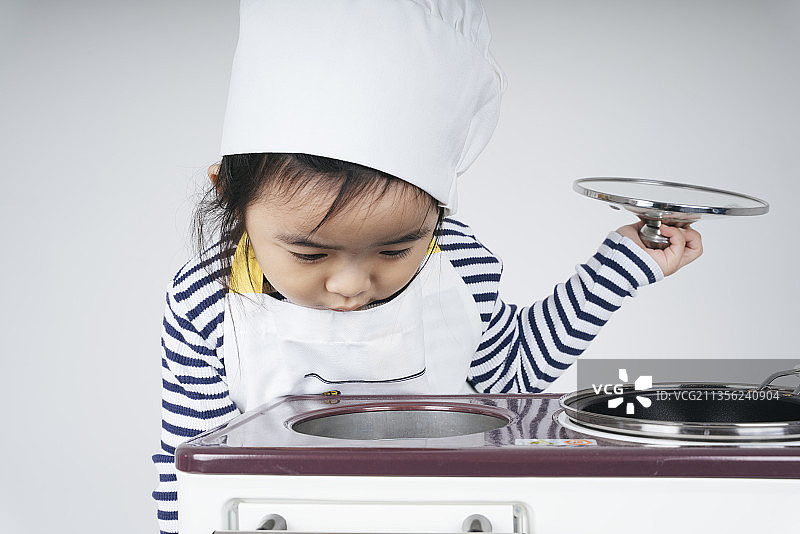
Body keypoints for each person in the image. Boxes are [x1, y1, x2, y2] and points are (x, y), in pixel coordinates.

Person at [152, 1, 702, 532]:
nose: (351, 285)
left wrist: (623, 266)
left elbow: (509, 375)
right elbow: (193, 464)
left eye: (394, 251)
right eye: (309, 254)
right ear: (231, 198)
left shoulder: (458, 261)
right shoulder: (205, 299)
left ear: (437, 214)